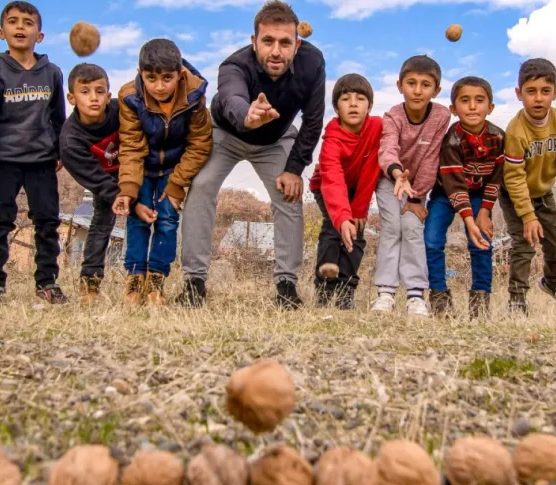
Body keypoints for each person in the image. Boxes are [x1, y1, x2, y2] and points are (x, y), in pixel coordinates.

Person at [174, 0, 326, 310]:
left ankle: (287, 285)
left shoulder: (313, 63)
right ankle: (194, 282)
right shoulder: (234, 65)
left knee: (288, 193)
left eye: (285, 43)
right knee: (201, 186)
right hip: (226, 132)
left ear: (297, 44)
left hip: (276, 138)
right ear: (253, 41)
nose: (275, 51)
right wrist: (247, 115)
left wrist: (294, 168)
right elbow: (231, 96)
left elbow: (313, 121)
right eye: (267, 41)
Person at [0, 1, 66, 305]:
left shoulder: (53, 73)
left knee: (48, 222)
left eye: (28, 22)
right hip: (3, 161)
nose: (20, 27)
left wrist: (60, 150)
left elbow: (58, 118)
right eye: (13, 21)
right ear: (1, 31)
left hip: (41, 162)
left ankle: (47, 283)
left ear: (40, 35)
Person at [112, 38, 212, 306]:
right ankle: (134, 281)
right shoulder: (129, 97)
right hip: (142, 166)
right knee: (138, 219)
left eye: (167, 78)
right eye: (151, 78)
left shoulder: (195, 96)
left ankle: (156, 281)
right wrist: (129, 189)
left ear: (180, 75)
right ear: (140, 74)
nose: (158, 86)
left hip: (175, 167)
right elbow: (131, 145)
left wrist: (177, 184)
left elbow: (200, 143)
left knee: (167, 220)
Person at [500, 57, 556, 314]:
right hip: (515, 196)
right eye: (530, 91)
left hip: (544, 193)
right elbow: (513, 177)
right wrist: (527, 216)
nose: (538, 98)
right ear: (518, 94)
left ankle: (552, 283)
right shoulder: (515, 131)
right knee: (524, 245)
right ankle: (517, 299)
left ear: (555, 93)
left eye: (545, 91)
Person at [373, 55, 451, 317]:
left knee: (412, 228)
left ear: (436, 90)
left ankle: (415, 294)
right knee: (393, 228)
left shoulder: (441, 116)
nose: (417, 90)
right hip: (390, 180)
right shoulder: (393, 116)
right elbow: (387, 148)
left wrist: (417, 197)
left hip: (418, 186)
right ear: (399, 85)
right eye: (411, 83)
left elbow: (431, 159)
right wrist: (396, 174)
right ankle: (385, 292)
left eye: (425, 84)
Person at [425, 76, 505, 319]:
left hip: (481, 195)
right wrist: (468, 220)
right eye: (465, 100)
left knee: (481, 243)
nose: (472, 106)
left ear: (490, 107)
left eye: (479, 100)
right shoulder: (452, 140)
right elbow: (455, 184)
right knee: (431, 240)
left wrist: (484, 213)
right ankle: (440, 299)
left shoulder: (498, 138)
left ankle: (480, 303)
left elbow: (496, 178)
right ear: (453, 109)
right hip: (446, 193)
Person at [309, 74, 382, 310]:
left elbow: (372, 170)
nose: (353, 103)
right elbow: (332, 180)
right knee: (333, 227)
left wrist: (359, 209)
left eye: (360, 98)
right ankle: (324, 288)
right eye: (345, 99)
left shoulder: (377, 128)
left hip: (358, 191)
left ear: (369, 106)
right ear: (336, 107)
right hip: (328, 188)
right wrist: (342, 217)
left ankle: (345, 292)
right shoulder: (331, 140)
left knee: (357, 235)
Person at [59, 63, 120, 304]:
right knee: (102, 221)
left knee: (145, 219)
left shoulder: (120, 111)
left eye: (99, 91)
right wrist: (120, 197)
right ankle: (89, 283)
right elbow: (95, 179)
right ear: (71, 98)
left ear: (109, 95)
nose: (94, 98)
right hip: (102, 179)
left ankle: (141, 279)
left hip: (133, 171)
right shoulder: (70, 139)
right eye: (85, 92)